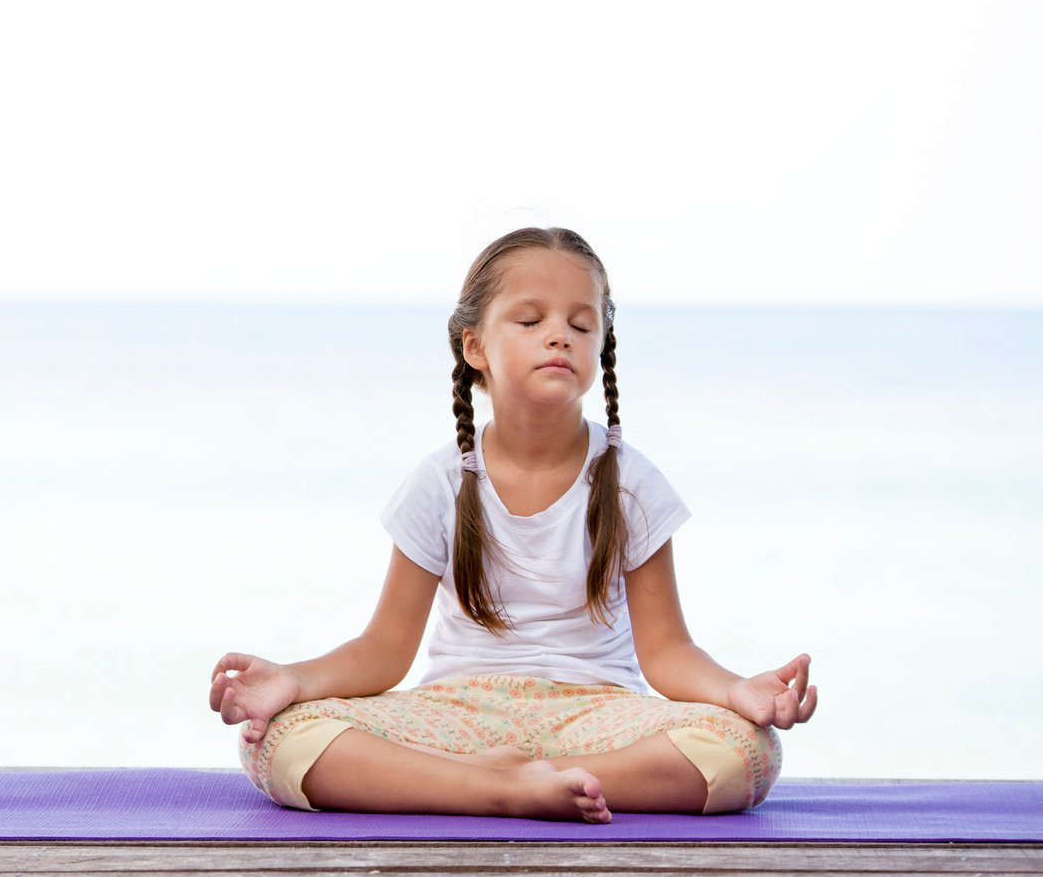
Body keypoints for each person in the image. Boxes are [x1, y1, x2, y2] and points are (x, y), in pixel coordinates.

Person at [207, 227, 818, 822]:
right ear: (475, 347)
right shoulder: (442, 481)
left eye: (581, 325)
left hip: (597, 715)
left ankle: (519, 777)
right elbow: (384, 651)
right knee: (280, 739)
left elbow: (668, 652)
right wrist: (292, 680)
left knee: (746, 751)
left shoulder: (630, 479)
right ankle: (499, 789)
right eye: (531, 321)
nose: (560, 336)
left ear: (599, 346)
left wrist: (739, 692)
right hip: (457, 712)